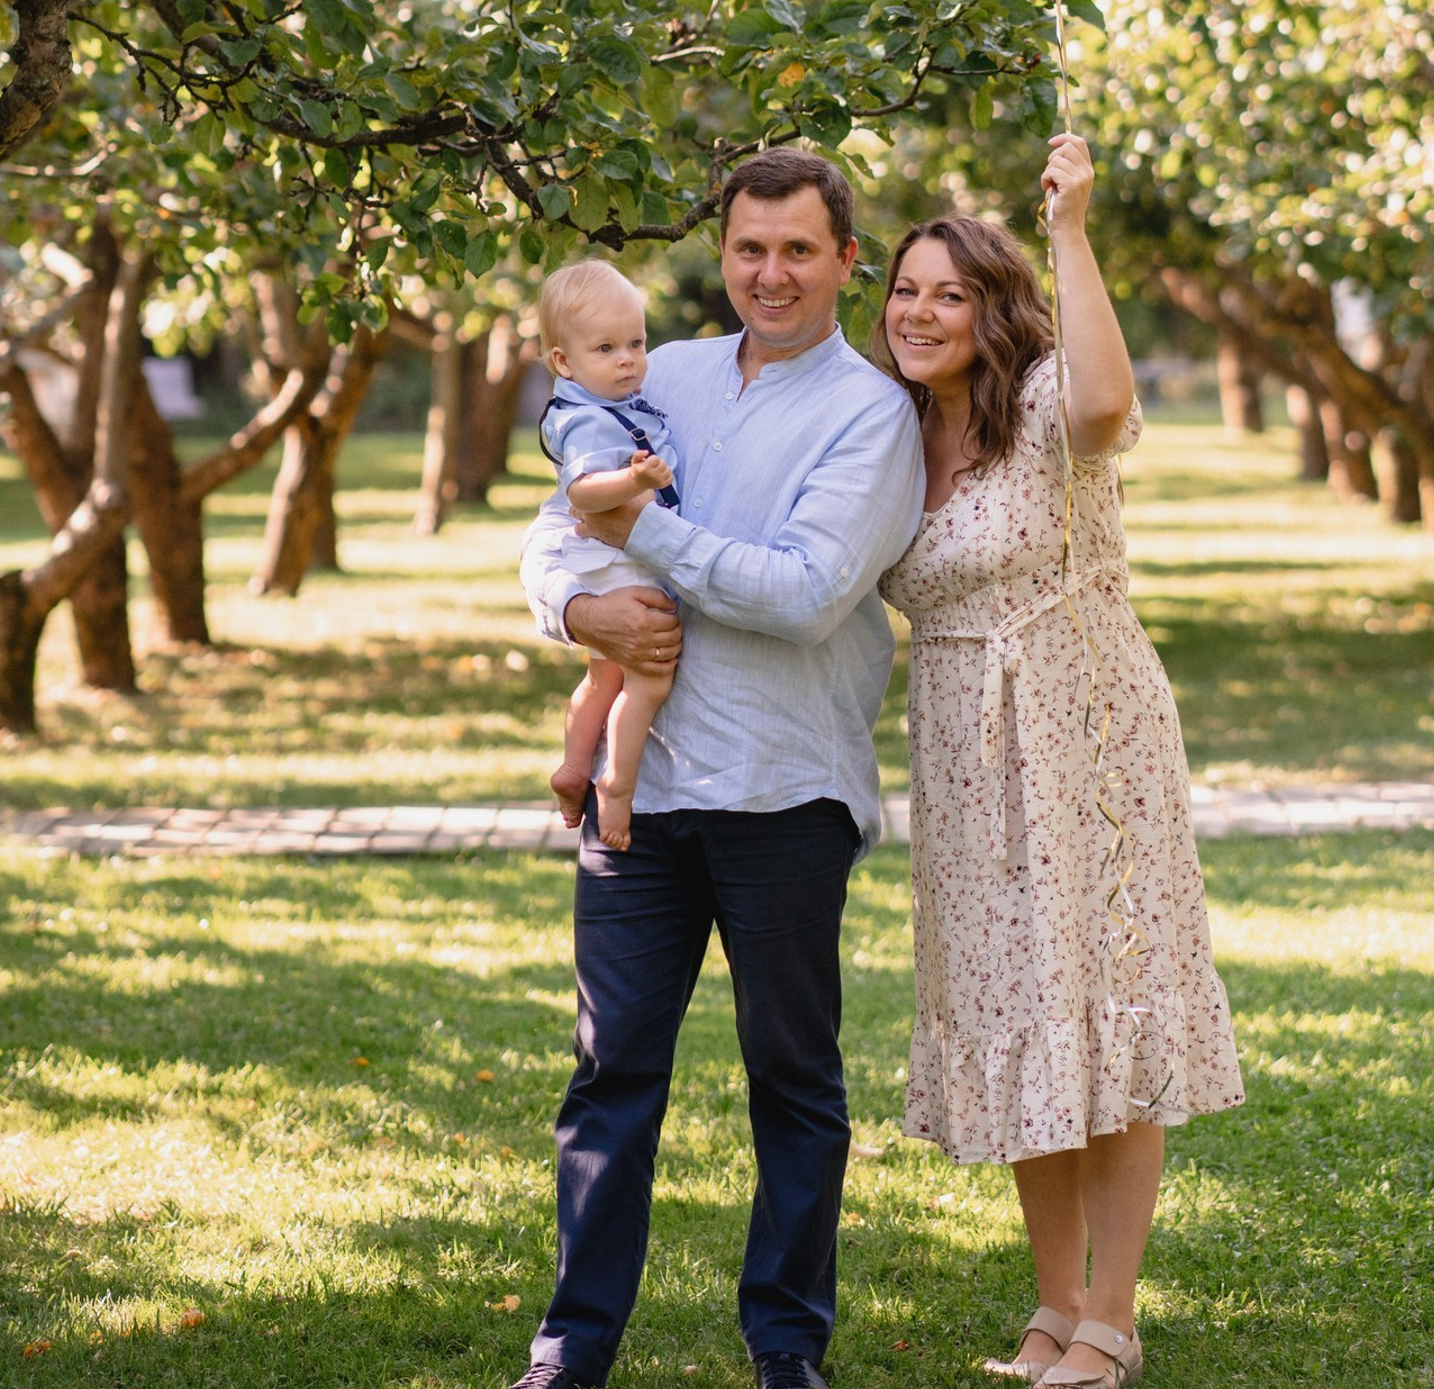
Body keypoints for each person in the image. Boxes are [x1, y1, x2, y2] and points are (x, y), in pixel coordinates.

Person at [512, 149, 924, 1389]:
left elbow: (804, 595)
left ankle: (786, 1344)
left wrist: (646, 531)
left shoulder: (874, 416)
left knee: (792, 1080)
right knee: (610, 1074)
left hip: (784, 791)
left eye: (799, 249)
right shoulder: (658, 372)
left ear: (847, 261)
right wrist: (581, 612)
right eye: (750, 247)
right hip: (639, 803)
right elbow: (552, 530)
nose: (770, 273)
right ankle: (573, 1346)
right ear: (723, 253)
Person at [873, 134, 1244, 1389]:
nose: (920, 313)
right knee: (1021, 1015)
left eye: (950, 294)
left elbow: (1102, 403)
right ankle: (1053, 1306)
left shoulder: (1043, 404)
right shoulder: (895, 434)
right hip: (966, 764)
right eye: (905, 290)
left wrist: (1072, 229)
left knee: (1110, 1009)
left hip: (1088, 743)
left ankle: (1112, 1320)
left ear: (995, 309)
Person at [535, 258, 683, 852]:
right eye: (606, 348)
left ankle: (574, 765)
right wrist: (635, 481)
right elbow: (583, 492)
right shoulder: (590, 421)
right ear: (564, 361)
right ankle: (617, 784)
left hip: (603, 560)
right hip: (622, 561)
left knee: (604, 673)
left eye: (636, 343)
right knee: (650, 676)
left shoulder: (609, 402)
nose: (627, 360)